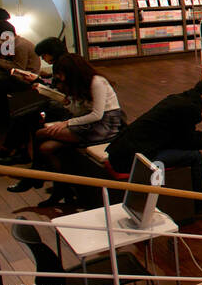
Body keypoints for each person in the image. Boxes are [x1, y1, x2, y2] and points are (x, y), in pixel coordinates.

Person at [105, 79, 202, 219]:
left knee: (189, 153)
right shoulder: (191, 109)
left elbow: (178, 134)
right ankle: (201, 205)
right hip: (132, 160)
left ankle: (197, 198)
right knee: (195, 156)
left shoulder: (178, 99)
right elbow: (185, 141)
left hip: (120, 151)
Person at [9, 54, 123, 206]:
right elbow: (78, 111)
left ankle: (36, 177)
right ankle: (61, 189)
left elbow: (97, 114)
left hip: (105, 125)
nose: (60, 78)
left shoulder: (97, 82)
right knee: (46, 148)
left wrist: (67, 123)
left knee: (40, 134)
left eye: (62, 74)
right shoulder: (79, 84)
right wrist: (66, 102)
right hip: (89, 123)